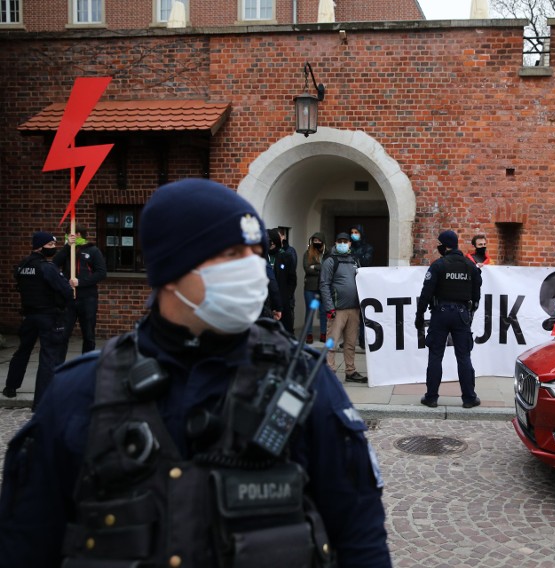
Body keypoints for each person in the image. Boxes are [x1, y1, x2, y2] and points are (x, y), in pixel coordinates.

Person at [0, 179, 391, 568]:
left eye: (255, 255)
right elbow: (28, 544)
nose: (253, 271)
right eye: (231, 254)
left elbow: (360, 536)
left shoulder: (304, 380)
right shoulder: (81, 392)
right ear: (172, 268)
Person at [3, 231, 74, 407]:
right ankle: (42, 403)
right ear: (40, 246)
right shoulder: (47, 267)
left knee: (22, 351)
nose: (53, 248)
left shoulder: (22, 265)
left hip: (29, 316)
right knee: (48, 357)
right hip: (48, 316)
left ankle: (10, 387)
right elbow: (65, 291)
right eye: (50, 245)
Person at [414, 230, 482, 409]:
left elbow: (425, 294)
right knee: (464, 356)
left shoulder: (438, 266)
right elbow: (476, 296)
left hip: (440, 313)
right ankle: (469, 398)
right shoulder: (470, 266)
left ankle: (431, 397)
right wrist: (470, 314)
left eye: (440, 245)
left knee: (436, 355)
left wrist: (419, 316)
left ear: (445, 246)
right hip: (461, 314)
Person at [52, 224, 107, 359]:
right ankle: (58, 368)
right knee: (63, 335)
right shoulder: (66, 251)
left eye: (70, 234)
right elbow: (54, 264)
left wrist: (81, 282)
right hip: (68, 298)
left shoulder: (93, 251)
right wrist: (66, 247)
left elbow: (101, 273)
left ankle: (86, 365)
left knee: (88, 335)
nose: (68, 236)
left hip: (87, 298)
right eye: (66, 234)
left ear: (79, 234)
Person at [320, 232, 367, 383]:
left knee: (351, 343)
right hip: (336, 309)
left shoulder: (355, 260)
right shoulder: (330, 260)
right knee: (331, 342)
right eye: (339, 241)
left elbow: (361, 280)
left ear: (349, 243)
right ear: (335, 242)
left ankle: (350, 371)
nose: (342, 243)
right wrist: (329, 307)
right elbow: (324, 284)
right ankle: (329, 371)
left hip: (354, 309)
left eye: (345, 241)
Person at [267, 227, 298, 333]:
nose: (270, 244)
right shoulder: (262, 257)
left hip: (282, 301)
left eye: (272, 241)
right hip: (265, 303)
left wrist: (286, 295)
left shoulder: (286, 257)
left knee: (284, 332)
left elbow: (292, 279)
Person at [303, 231, 329, 343]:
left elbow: (327, 268)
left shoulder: (328, 253)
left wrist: (315, 267)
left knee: (323, 311)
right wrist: (320, 268)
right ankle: (308, 334)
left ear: (322, 241)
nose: (316, 242)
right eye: (314, 240)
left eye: (318, 240)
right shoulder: (307, 253)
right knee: (310, 310)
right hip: (310, 287)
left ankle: (324, 333)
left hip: (323, 287)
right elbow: (307, 269)